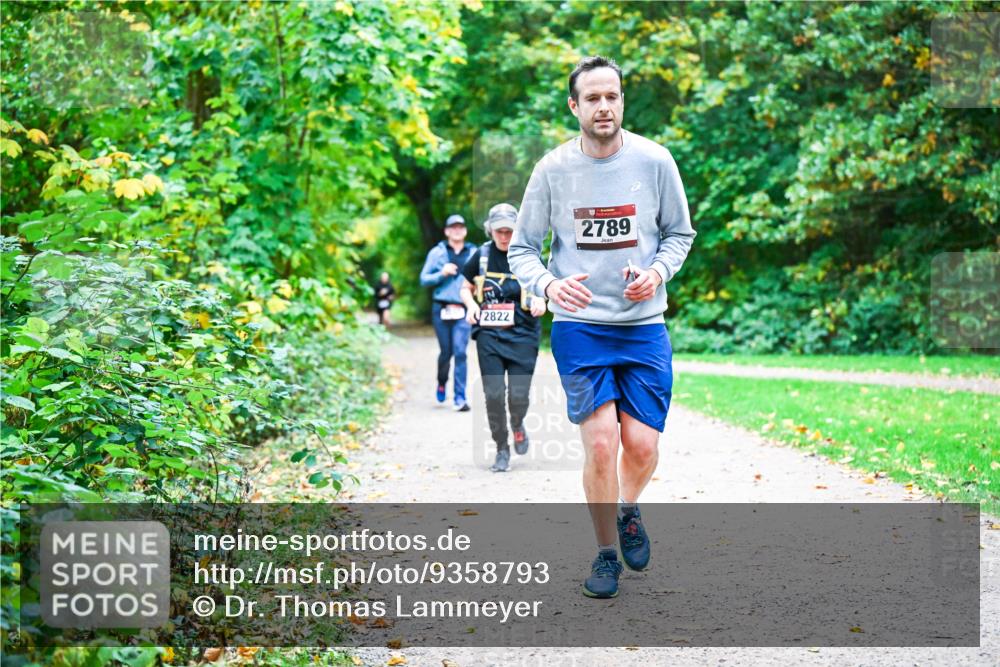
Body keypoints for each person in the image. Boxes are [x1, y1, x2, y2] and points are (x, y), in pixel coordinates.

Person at [508, 56, 696, 599]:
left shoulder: (656, 161)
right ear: (575, 107)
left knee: (640, 448)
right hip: (580, 327)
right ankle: (606, 553)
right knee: (599, 445)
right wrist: (548, 285)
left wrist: (657, 272)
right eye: (592, 98)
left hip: (642, 326)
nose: (604, 106)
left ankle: (627, 507)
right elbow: (522, 248)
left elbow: (679, 235)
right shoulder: (552, 170)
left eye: (611, 96)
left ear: (621, 100)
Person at [459, 203, 546, 472]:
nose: (505, 237)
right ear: (491, 230)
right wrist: (472, 306)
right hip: (490, 336)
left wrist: (542, 299)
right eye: (499, 232)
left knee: (517, 397)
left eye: (509, 231)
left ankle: (517, 423)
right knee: (493, 394)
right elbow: (465, 287)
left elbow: (545, 286)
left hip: (524, 336)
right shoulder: (481, 255)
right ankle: (501, 448)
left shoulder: (530, 256)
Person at [420, 214, 477, 411]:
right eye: (453, 227)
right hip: (442, 308)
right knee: (447, 352)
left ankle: (460, 397)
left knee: (460, 352)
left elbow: (483, 277)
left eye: (460, 226)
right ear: (446, 231)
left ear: (465, 230)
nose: (457, 230)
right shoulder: (437, 253)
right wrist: (441, 273)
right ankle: (442, 381)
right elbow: (424, 279)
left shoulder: (474, 252)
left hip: (463, 308)